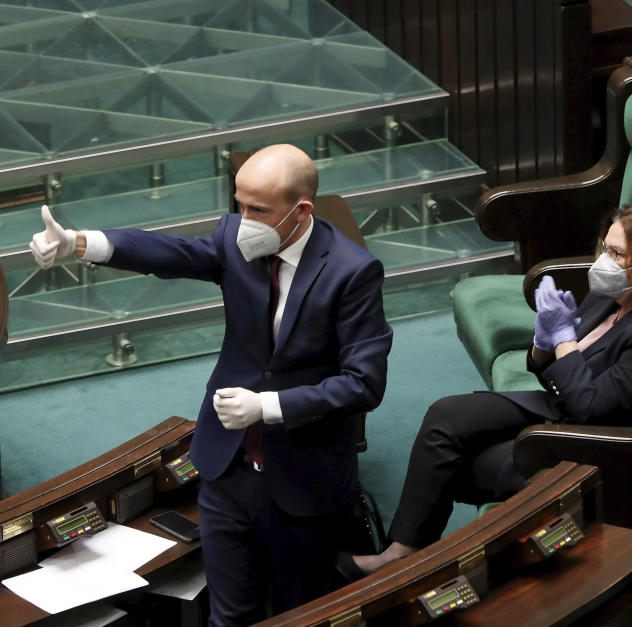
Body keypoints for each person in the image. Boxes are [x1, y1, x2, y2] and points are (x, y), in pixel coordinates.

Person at [29, 144, 393, 625]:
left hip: (306, 477)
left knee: (298, 615)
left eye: (258, 210)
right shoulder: (236, 239)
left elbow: (364, 384)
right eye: (239, 204)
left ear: (300, 211)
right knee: (228, 615)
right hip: (227, 468)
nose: (244, 220)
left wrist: (267, 406)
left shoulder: (352, 271)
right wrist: (81, 243)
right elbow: (172, 252)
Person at [339, 202, 632, 578]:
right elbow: (549, 371)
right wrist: (544, 344)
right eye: (604, 247)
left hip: (588, 439)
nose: (603, 261)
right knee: (447, 414)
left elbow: (592, 408)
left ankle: (413, 563)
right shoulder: (610, 296)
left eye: (616, 253)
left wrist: (563, 339)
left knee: (461, 466)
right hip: (559, 404)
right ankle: (403, 551)